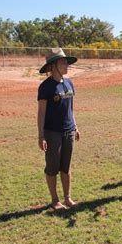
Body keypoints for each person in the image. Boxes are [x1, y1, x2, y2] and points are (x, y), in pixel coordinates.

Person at [37, 48, 80, 210]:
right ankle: (55, 200)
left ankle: (68, 198)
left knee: (66, 167)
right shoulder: (45, 87)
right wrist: (41, 136)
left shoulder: (69, 83)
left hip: (68, 131)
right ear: (53, 65)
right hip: (52, 133)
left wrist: (75, 126)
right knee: (52, 168)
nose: (66, 65)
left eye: (66, 62)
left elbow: (71, 109)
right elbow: (41, 113)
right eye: (63, 62)